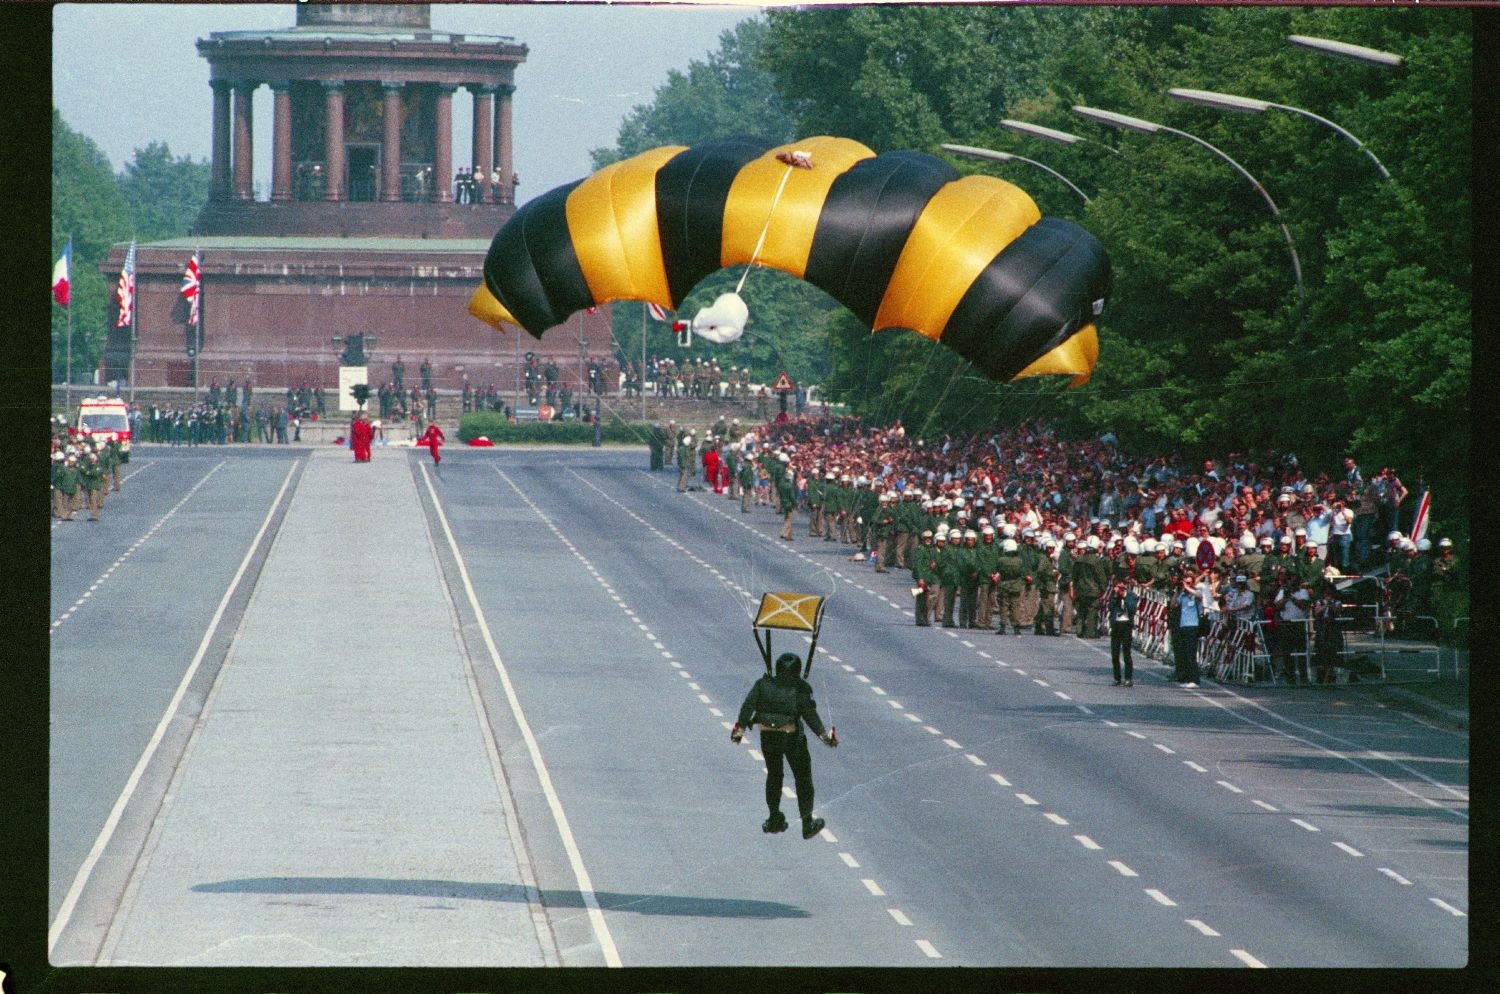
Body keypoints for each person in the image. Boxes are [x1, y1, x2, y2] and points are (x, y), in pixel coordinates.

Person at [732, 652, 837, 838]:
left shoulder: (762, 684)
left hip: (768, 736)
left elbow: (748, 706)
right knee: (803, 778)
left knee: (774, 776)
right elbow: (809, 714)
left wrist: (739, 730)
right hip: (791, 738)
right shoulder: (801, 687)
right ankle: (807, 823)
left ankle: (774, 818)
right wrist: (825, 736)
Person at [1168, 573, 1207, 687]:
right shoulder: (1182, 595)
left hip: (1193, 626)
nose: (1186, 584)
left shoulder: (1195, 593)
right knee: (1184, 653)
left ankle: (1194, 680)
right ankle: (1186, 677)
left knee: (1191, 654)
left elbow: (1200, 597)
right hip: (1182, 626)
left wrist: (1188, 588)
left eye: (1189, 582)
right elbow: (1173, 604)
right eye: (1185, 582)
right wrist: (1178, 590)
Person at [1106, 580, 1138, 686]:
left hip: (1126, 625)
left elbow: (1132, 608)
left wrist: (1124, 596)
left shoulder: (1131, 596)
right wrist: (1116, 596)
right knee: (1115, 654)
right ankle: (1117, 678)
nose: (1120, 589)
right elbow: (1110, 608)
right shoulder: (1114, 596)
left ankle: (1128, 678)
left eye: (1122, 587)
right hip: (1116, 625)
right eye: (1118, 587)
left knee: (1126, 653)